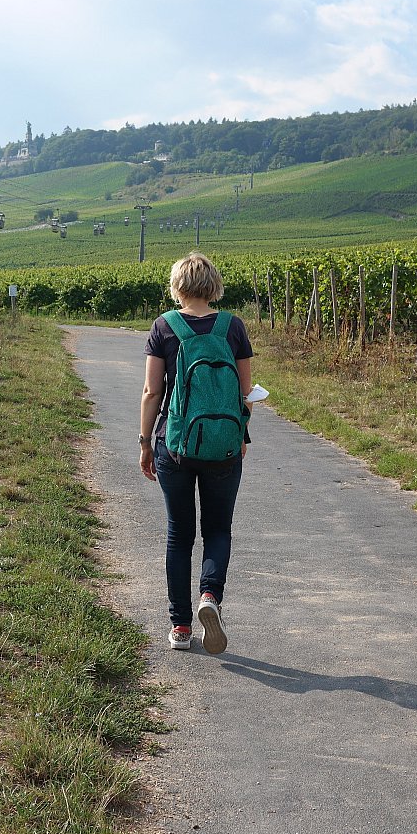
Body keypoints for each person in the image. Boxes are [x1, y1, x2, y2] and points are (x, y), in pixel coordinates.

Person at [140, 252, 254, 654]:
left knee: (179, 535)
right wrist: (240, 433)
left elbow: (153, 391)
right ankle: (210, 596)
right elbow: (246, 393)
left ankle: (182, 627)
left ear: (177, 286)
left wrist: (144, 442)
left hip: (176, 445)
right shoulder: (233, 327)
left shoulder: (163, 327)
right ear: (213, 285)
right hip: (224, 445)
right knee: (218, 530)